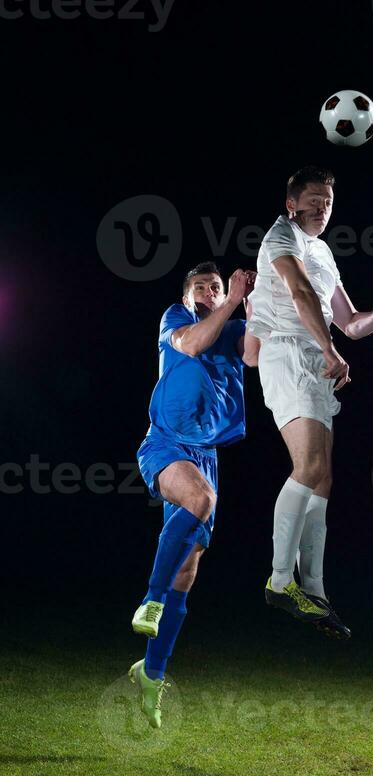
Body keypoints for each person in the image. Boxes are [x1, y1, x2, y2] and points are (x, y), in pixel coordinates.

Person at [247, 165, 373, 639]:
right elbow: (298, 294)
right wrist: (332, 350)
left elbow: (350, 321)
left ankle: (314, 591)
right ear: (291, 204)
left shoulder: (322, 251)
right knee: (310, 466)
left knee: (323, 479)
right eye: (313, 200)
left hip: (315, 361)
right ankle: (279, 581)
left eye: (328, 202)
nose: (322, 208)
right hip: (289, 353)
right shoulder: (281, 237)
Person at [129, 261, 256, 728]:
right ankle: (150, 599)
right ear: (187, 295)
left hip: (206, 454)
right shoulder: (176, 320)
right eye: (200, 286)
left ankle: (152, 673)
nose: (209, 290)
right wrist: (229, 302)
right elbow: (196, 343)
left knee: (188, 568)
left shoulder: (235, 325)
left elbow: (258, 355)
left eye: (215, 286)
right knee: (202, 500)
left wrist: (257, 303)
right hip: (165, 442)